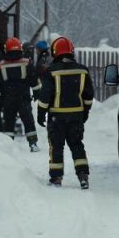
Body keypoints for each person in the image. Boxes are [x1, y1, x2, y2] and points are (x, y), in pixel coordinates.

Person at [37, 36, 94, 189]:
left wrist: (41, 114)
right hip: (76, 117)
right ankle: (83, 176)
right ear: (71, 51)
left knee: (56, 147)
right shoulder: (82, 70)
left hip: (57, 118)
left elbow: (45, 96)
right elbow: (88, 95)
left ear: (55, 52)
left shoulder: (51, 71)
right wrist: (85, 112)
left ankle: (56, 178)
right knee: (77, 145)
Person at [0, 37, 40, 152]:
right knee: (28, 120)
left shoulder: (1, 65)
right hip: (23, 98)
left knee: (9, 121)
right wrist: (37, 93)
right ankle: (33, 143)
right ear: (20, 49)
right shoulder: (26, 62)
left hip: (8, 99)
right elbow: (34, 79)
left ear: (6, 49)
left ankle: (8, 144)